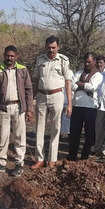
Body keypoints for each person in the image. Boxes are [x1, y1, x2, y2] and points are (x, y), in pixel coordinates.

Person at [0, 45, 33, 177]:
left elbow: (29, 90)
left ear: (16, 56)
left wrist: (30, 109)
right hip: (2, 108)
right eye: (7, 55)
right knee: (3, 136)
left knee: (19, 136)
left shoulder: (22, 70)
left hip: (19, 107)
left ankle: (19, 164)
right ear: (4, 55)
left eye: (12, 56)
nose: (9, 58)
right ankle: (1, 163)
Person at [31, 35, 72, 169]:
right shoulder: (40, 59)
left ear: (58, 47)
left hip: (57, 96)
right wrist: (32, 98)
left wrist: (70, 103)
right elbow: (36, 80)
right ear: (45, 47)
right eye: (49, 47)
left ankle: (52, 159)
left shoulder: (63, 60)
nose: (51, 50)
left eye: (54, 47)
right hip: (42, 96)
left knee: (55, 128)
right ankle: (39, 159)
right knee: (39, 128)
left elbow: (68, 82)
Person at [68, 53, 103, 161]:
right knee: (74, 133)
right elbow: (72, 86)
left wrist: (80, 84)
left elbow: (92, 87)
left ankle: (84, 157)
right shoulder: (78, 72)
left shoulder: (98, 75)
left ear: (94, 62)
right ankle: (72, 156)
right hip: (77, 106)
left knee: (89, 134)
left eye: (89, 62)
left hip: (90, 107)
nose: (87, 64)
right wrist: (83, 85)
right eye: (85, 62)